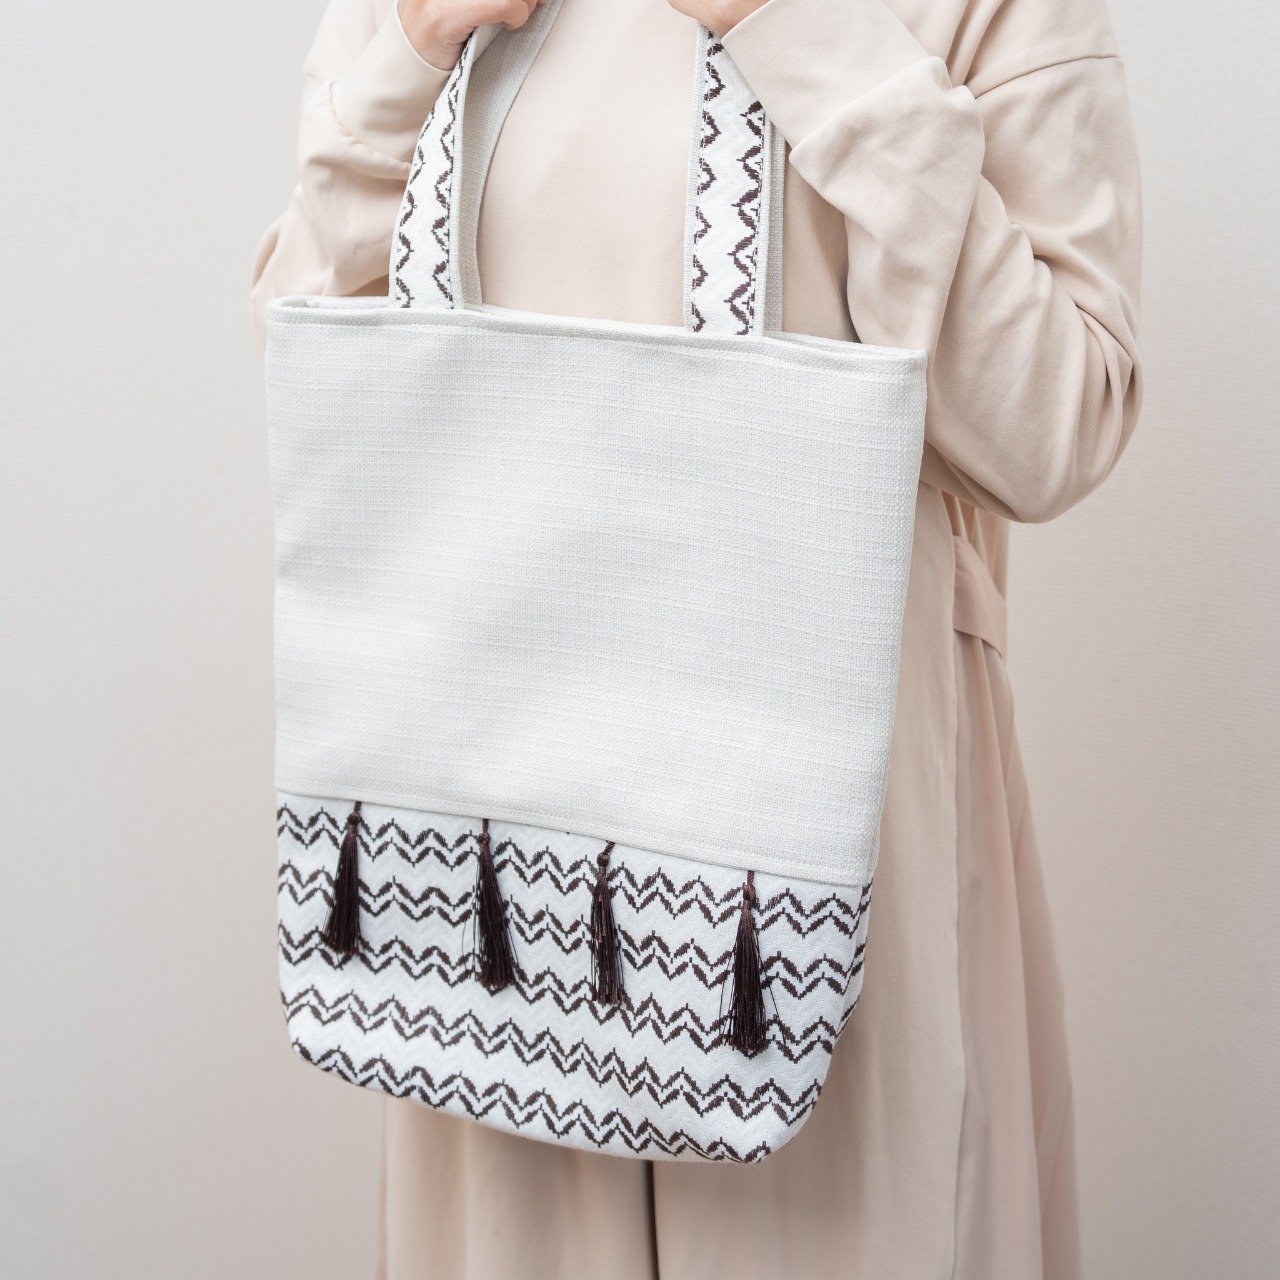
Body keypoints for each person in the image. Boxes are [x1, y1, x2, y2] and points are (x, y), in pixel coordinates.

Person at [251, 0, 1143, 1274]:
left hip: (825, 864)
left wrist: (798, 30)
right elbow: (317, 369)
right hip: (493, 862)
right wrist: (408, 52)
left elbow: (1053, 424)